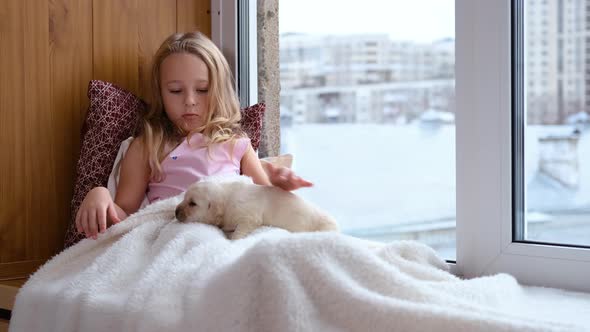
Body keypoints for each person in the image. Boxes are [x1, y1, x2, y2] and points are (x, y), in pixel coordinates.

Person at [76, 31, 312, 240]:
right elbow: (125, 216)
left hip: (227, 237)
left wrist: (277, 184)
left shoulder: (236, 143)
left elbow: (265, 202)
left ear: (218, 89)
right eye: (176, 91)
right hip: (174, 235)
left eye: (202, 90)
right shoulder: (148, 146)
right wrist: (100, 195)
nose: (189, 101)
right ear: (160, 93)